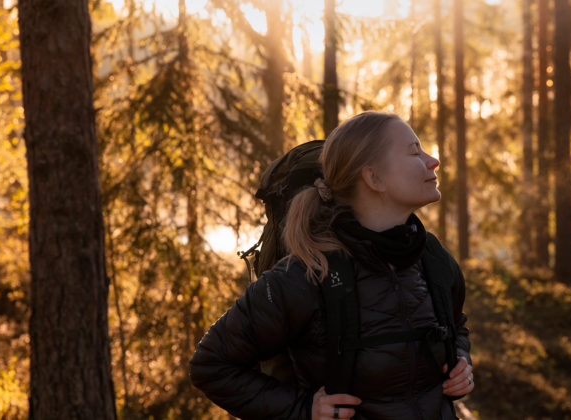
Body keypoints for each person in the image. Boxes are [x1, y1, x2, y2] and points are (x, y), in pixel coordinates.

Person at [190, 111, 473, 419]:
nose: (433, 161)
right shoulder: (307, 274)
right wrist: (303, 410)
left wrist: (460, 358)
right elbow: (211, 365)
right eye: (414, 151)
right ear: (374, 178)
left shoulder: (431, 256)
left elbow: (456, 324)